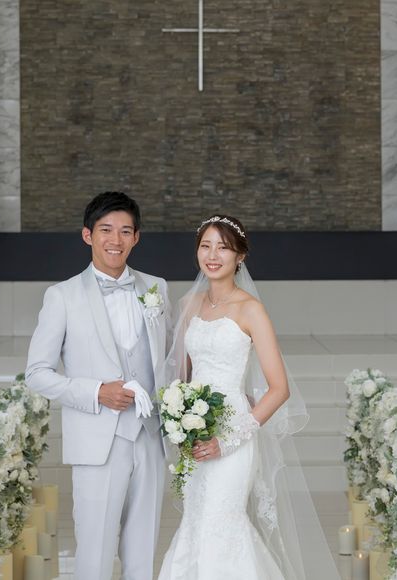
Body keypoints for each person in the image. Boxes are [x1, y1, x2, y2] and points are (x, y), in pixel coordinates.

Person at [159, 215, 341, 580]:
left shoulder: (251, 309)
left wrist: (226, 440)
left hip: (234, 433)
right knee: (196, 522)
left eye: (223, 248)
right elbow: (181, 377)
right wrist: (180, 422)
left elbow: (279, 388)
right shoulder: (188, 304)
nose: (212, 255)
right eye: (205, 246)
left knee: (221, 523)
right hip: (196, 433)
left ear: (240, 256)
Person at [25, 192, 170, 580]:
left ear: (136, 237)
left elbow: (168, 360)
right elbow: (37, 373)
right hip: (97, 442)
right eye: (106, 230)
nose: (115, 240)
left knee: (143, 554)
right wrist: (96, 392)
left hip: (150, 437)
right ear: (87, 235)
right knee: (94, 555)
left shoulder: (157, 289)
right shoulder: (62, 296)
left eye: (125, 231)